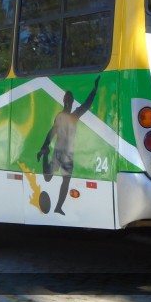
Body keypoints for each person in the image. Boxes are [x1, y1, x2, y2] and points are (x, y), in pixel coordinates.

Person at [37, 76, 100, 215]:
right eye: (67, 98)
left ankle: (58, 207)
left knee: (65, 182)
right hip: (58, 152)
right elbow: (52, 132)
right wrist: (44, 147)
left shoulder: (74, 115)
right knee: (47, 177)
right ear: (64, 100)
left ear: (71, 102)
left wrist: (94, 90)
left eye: (70, 99)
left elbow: (86, 105)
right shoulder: (60, 116)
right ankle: (45, 155)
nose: (69, 101)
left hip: (68, 154)